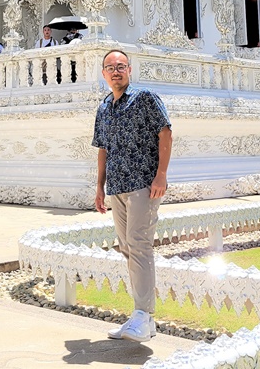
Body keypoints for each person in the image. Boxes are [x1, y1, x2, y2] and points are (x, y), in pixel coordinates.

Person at [92, 49, 172, 343]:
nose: (116, 71)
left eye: (121, 66)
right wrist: (99, 187)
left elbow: (165, 133)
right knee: (127, 247)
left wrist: (161, 175)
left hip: (143, 183)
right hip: (116, 186)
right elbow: (103, 149)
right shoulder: (104, 108)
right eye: (110, 67)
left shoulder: (145, 98)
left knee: (139, 245)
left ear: (130, 70)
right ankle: (142, 318)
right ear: (103, 73)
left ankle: (143, 314)